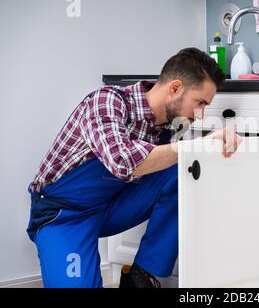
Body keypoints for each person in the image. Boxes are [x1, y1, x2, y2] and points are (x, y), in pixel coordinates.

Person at [26, 47, 242, 288]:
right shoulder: (107, 101)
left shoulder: (169, 127)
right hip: (64, 216)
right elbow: (122, 162)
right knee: (184, 154)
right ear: (175, 88)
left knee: (183, 171)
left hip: (111, 207)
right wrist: (198, 144)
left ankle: (141, 278)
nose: (200, 115)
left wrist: (201, 150)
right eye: (199, 102)